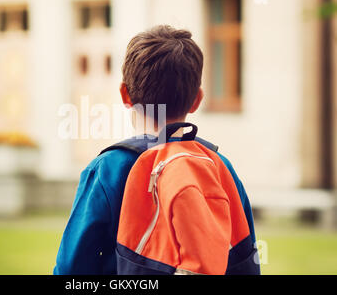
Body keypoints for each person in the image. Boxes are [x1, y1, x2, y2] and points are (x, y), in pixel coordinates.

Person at [53, 25, 257, 275]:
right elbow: (245, 259)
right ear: (197, 100)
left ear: (125, 94)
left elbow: (70, 268)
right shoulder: (220, 166)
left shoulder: (108, 169)